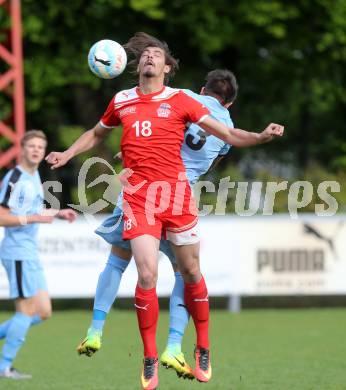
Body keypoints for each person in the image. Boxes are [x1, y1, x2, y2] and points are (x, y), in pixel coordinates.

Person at [46, 32, 284, 390]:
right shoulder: (122, 99)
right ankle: (151, 356)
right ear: (137, 65)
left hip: (176, 194)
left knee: (189, 272)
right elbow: (97, 134)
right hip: (139, 196)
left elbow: (229, 135)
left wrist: (262, 136)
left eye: (156, 55)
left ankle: (201, 345)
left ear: (168, 68)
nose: (149, 58)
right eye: (146, 56)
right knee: (146, 276)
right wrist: (66, 154)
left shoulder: (182, 100)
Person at [76, 69, 242, 382]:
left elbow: (151, 127)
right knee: (185, 272)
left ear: (201, 88)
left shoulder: (182, 96)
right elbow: (209, 163)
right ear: (229, 104)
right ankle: (175, 345)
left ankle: (95, 330)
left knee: (118, 261)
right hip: (181, 195)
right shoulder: (226, 126)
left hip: (142, 191)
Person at [0, 130, 77, 379]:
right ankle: (4, 367)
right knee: (26, 310)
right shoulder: (14, 177)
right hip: (17, 252)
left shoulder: (34, 177)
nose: (35, 150)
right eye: (31, 146)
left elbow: (32, 208)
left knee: (42, 311)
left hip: (30, 252)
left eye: (39, 147)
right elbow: (1, 216)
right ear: (22, 149)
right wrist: (34, 218)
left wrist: (57, 213)